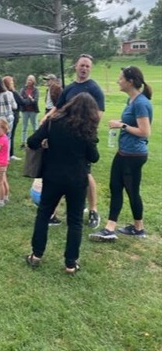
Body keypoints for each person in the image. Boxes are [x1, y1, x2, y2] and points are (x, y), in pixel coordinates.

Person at [25, 93, 100, 274]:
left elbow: (32, 141)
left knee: (43, 214)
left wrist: (46, 144)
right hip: (77, 179)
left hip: (53, 176)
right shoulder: (86, 129)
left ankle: (36, 255)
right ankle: (70, 263)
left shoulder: (53, 122)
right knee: (74, 221)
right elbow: (94, 157)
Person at [89, 66, 153, 243]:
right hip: (125, 152)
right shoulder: (132, 101)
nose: (118, 81)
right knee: (118, 188)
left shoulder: (140, 103)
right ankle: (135, 227)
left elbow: (145, 131)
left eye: (121, 78)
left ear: (130, 81)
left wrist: (121, 126)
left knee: (129, 190)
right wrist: (121, 122)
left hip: (132, 155)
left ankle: (115, 229)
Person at [41, 54, 104, 229]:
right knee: (61, 173)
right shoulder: (69, 89)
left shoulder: (94, 89)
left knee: (86, 174)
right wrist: (47, 118)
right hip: (65, 138)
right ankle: (52, 212)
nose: (84, 68)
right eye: (82, 65)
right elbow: (58, 108)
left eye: (87, 66)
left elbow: (99, 114)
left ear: (90, 69)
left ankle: (93, 210)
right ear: (76, 66)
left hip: (83, 138)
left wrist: (85, 132)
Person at [3, 75, 24, 161]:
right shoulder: (13, 93)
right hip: (13, 115)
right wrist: (31, 100)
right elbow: (22, 101)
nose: (13, 83)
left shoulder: (3, 93)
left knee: (5, 135)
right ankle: (9, 154)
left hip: (5, 115)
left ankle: (5, 153)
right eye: (11, 82)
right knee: (10, 135)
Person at [20, 75, 40, 149]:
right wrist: (30, 100)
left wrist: (29, 100)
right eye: (28, 79)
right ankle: (23, 143)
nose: (29, 81)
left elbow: (35, 101)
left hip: (33, 111)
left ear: (33, 81)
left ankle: (36, 141)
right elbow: (21, 100)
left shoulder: (36, 90)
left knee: (35, 126)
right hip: (25, 111)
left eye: (31, 80)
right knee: (24, 127)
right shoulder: (23, 89)